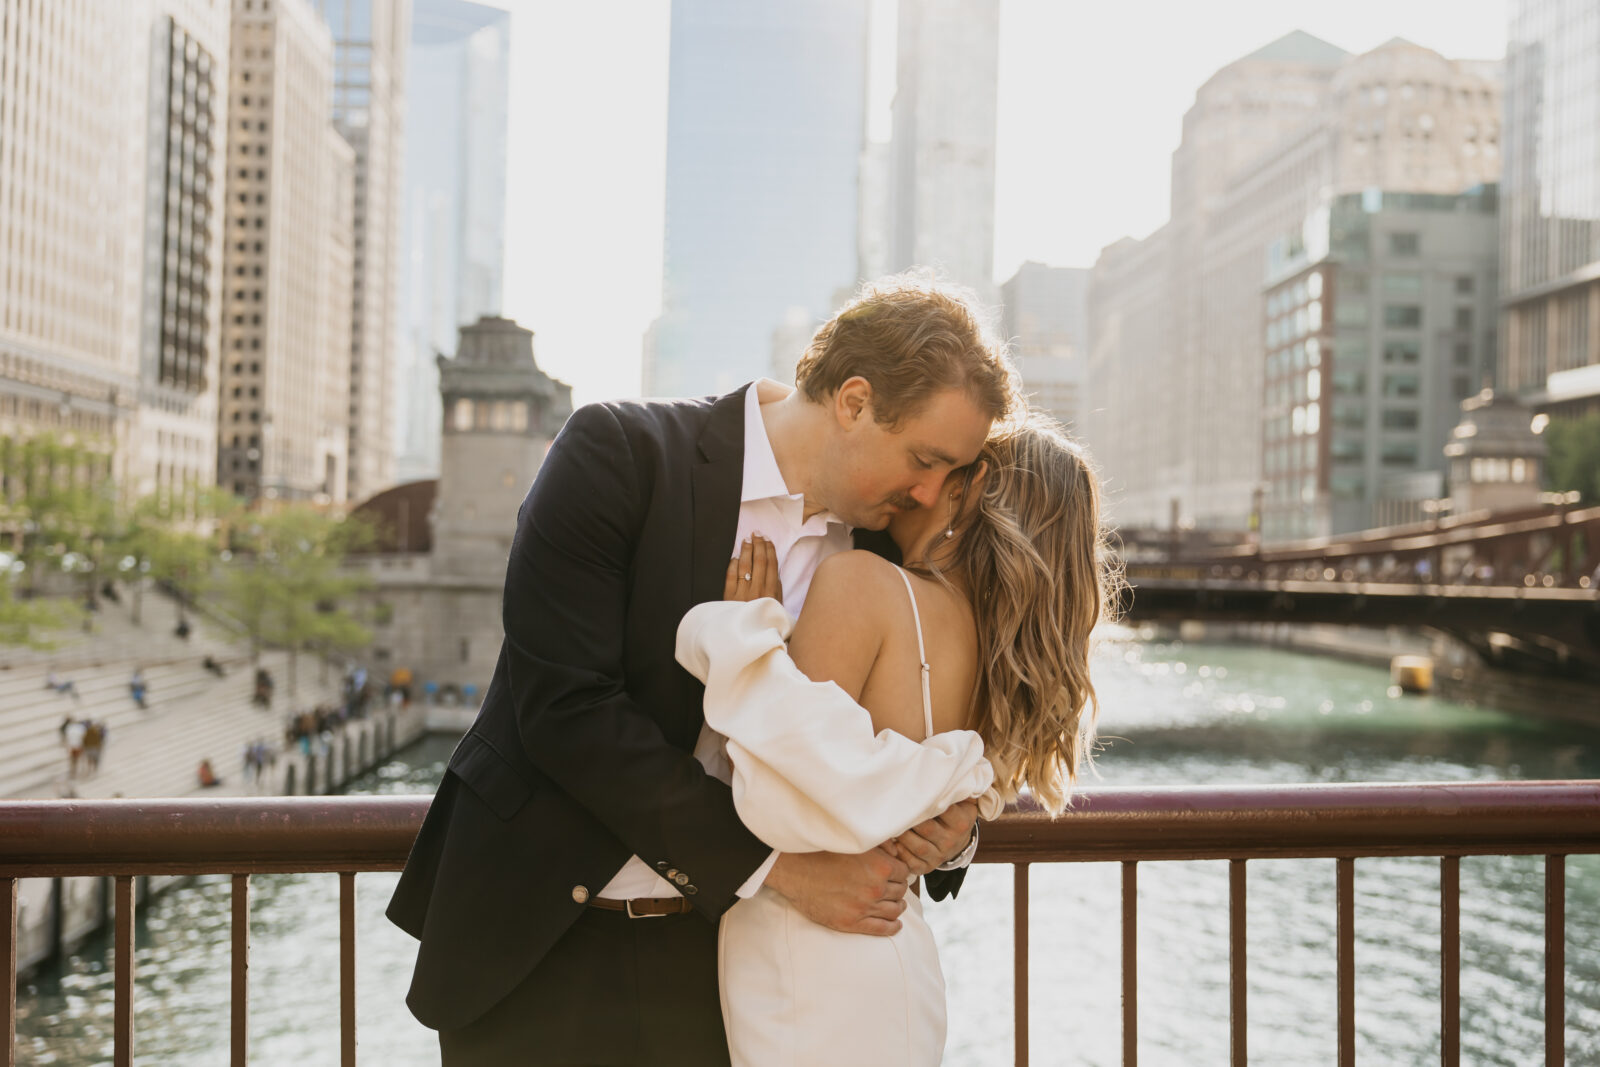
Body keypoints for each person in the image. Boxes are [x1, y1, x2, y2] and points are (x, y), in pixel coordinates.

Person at [387, 275, 1012, 1063]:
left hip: (725, 972)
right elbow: (566, 711)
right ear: (854, 401)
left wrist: (952, 831)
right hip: (537, 947)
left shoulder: (885, 553)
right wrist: (776, 867)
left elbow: (894, 746)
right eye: (925, 459)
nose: (930, 493)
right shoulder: (616, 452)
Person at [679, 414, 1118, 1064]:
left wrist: (748, 635)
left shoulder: (861, 585)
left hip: (815, 966)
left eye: (945, 468)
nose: (919, 482)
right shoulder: (994, 654)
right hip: (896, 957)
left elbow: (778, 787)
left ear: (973, 491)